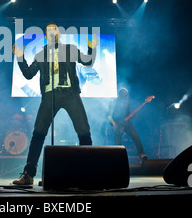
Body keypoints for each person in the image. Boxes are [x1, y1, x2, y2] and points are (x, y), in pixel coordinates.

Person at [11, 23, 99, 185]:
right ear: (46, 36)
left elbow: (88, 62)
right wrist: (20, 57)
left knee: (84, 132)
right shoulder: (41, 53)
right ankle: (28, 174)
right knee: (38, 133)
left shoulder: (70, 49)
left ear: (59, 33)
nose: (52, 32)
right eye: (49, 31)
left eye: (55, 30)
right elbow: (29, 74)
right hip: (50, 95)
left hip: (70, 94)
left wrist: (91, 48)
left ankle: (89, 172)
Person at [109, 88, 147, 162]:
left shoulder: (127, 103)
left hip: (127, 123)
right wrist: (114, 124)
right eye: (123, 95)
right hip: (117, 123)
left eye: (125, 95)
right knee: (117, 139)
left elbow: (128, 114)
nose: (125, 97)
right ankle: (118, 156)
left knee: (135, 137)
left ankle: (141, 153)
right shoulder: (113, 102)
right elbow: (109, 115)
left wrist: (132, 115)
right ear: (119, 95)